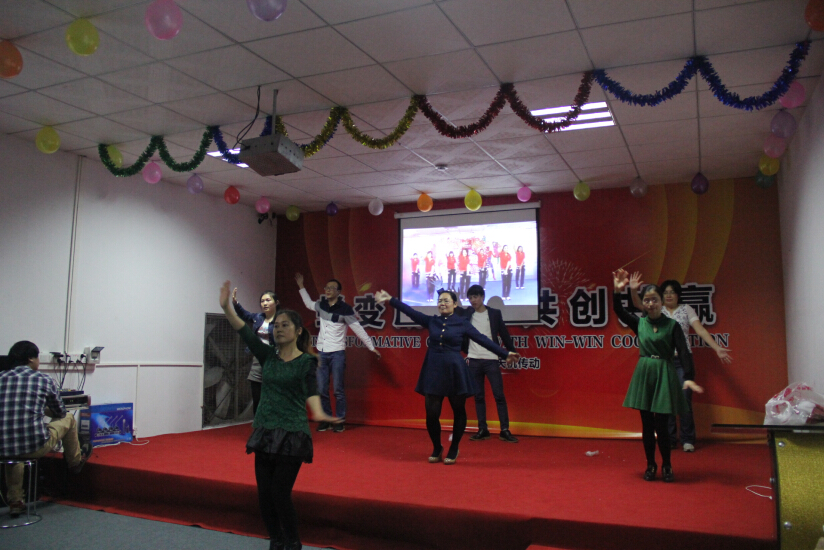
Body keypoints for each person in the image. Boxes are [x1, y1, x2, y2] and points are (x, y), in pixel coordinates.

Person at [220, 282, 339, 550]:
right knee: (264, 495)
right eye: (277, 326)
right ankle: (276, 540)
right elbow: (242, 329)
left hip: (292, 434)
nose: (279, 329)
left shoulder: (307, 361)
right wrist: (226, 306)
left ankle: (293, 542)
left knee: (279, 493)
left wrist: (320, 413)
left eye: (285, 325)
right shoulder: (267, 356)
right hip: (265, 431)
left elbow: (311, 391)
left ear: (298, 331)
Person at [374, 288, 520, 465]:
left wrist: (505, 354)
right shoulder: (432, 321)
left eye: (446, 301)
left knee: (458, 410)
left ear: (455, 304)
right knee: (431, 414)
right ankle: (437, 447)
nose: (442, 304)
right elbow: (410, 312)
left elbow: (482, 339)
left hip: (454, 371)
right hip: (433, 370)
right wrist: (391, 299)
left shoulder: (462, 322)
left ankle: (454, 447)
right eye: (440, 301)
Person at [612, 269, 703, 483]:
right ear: (643, 303)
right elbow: (618, 310)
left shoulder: (672, 325)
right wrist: (617, 290)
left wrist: (689, 376)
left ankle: (667, 465)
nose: (651, 303)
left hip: (664, 372)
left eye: (654, 299)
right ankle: (651, 465)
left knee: (662, 425)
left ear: (661, 302)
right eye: (647, 300)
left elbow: (683, 351)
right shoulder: (640, 323)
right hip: (645, 373)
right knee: (647, 425)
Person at [629, 274, 732, 452]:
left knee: (684, 400)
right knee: (665, 400)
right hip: (664, 361)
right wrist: (632, 290)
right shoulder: (657, 309)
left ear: (678, 295)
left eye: (672, 292)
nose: (669, 295)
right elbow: (638, 304)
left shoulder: (686, 309)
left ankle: (687, 439)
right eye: (665, 292)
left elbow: (700, 330)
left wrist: (717, 348)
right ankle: (669, 438)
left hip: (683, 361)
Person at [0, 341, 90, 516]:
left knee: (14, 450)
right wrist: (42, 408)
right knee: (69, 418)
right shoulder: (42, 379)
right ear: (30, 358)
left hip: (3, 448)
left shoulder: (1, 377)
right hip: (34, 446)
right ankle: (75, 462)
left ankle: (15, 501)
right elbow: (60, 412)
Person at [295, 274, 381, 433]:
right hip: (321, 352)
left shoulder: (346, 309)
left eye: (331, 288)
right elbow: (308, 304)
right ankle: (327, 420)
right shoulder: (321, 305)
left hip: (337, 354)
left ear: (339, 292)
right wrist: (301, 286)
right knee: (321, 389)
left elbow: (358, 329)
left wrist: (371, 347)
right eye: (326, 288)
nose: (328, 290)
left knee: (338, 390)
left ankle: (340, 421)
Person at [460, 285, 519, 443]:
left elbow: (504, 334)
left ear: (482, 297)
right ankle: (482, 429)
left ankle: (504, 430)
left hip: (491, 359)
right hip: (473, 359)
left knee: (499, 395)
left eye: (475, 297)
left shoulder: (494, 314)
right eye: (470, 298)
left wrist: (511, 352)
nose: (473, 300)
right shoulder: (467, 314)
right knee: (478, 396)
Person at [232, 288, 279, 414]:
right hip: (257, 360)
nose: (265, 303)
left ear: (276, 303)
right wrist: (236, 303)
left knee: (273, 397)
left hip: (274, 361)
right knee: (256, 396)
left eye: (268, 300)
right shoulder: (258, 317)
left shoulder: (281, 320)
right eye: (262, 301)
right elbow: (244, 314)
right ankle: (258, 423)